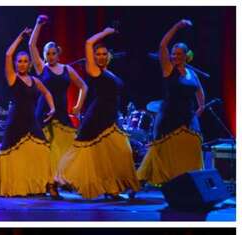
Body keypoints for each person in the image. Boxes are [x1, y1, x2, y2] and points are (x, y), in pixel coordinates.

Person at [56, 28, 141, 200]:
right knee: (88, 153)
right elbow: (88, 43)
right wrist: (106, 32)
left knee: (116, 153)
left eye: (104, 54)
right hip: (98, 117)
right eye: (98, 54)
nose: (101, 56)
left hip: (111, 116)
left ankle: (113, 188)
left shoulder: (109, 72)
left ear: (108, 56)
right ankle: (58, 178)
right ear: (94, 57)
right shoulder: (94, 70)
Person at [0, 28, 57, 197]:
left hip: (31, 121)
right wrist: (20, 37)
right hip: (15, 121)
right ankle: (3, 183)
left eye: (25, 61)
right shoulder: (12, 78)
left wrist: (53, 107)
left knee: (43, 151)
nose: (22, 64)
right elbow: (8, 55)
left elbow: (47, 93)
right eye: (20, 61)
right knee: (8, 154)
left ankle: (45, 184)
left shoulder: (35, 81)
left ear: (30, 64)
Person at [137, 19, 205, 185]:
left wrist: (201, 107)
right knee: (160, 151)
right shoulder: (168, 68)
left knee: (192, 148)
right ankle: (139, 182)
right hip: (169, 116)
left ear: (187, 56)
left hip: (188, 117)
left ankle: (190, 184)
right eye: (173, 53)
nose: (175, 56)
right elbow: (162, 46)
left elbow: (200, 92)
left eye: (179, 54)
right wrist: (176, 27)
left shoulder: (191, 73)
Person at [28, 15, 87, 184]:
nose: (51, 56)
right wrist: (38, 24)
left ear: (58, 54)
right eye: (48, 53)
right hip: (44, 112)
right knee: (46, 148)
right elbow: (31, 45)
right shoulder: (41, 67)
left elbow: (84, 86)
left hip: (61, 112)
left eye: (54, 53)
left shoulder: (67, 69)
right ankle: (47, 182)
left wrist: (78, 105)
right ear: (45, 55)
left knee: (67, 147)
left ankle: (61, 179)